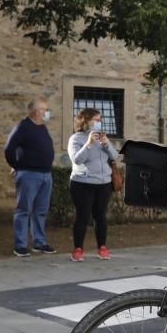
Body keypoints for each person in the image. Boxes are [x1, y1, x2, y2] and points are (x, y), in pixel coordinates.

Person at [4, 98, 56, 257]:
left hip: (46, 174)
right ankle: (20, 245)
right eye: (45, 110)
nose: (47, 113)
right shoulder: (23, 127)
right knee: (23, 210)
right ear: (37, 111)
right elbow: (9, 148)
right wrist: (17, 166)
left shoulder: (42, 128)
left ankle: (39, 243)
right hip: (29, 174)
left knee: (40, 211)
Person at [67, 108, 119, 262]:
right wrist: (88, 144)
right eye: (96, 119)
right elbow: (77, 159)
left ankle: (102, 248)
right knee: (82, 216)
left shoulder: (103, 137)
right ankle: (78, 250)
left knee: (100, 216)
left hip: (103, 183)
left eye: (100, 119)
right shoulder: (76, 138)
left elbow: (115, 156)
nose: (99, 122)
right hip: (82, 183)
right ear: (86, 120)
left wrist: (106, 145)